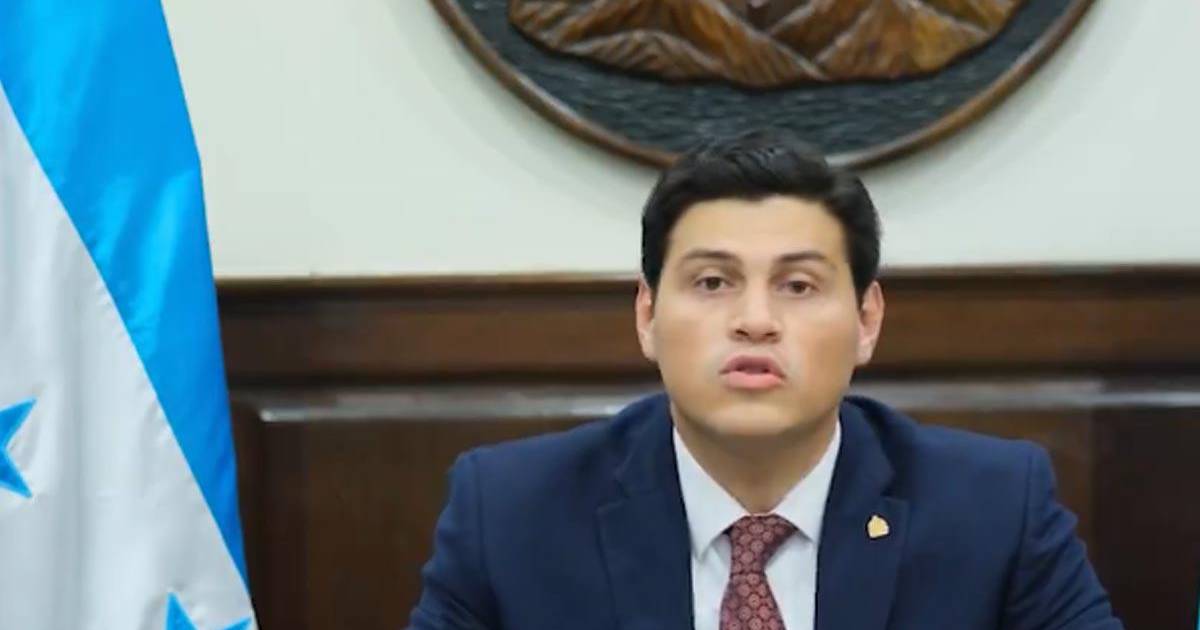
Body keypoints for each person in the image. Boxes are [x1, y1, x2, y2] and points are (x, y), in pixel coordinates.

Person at [409, 131, 1123, 629]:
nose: (755, 321)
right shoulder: (511, 513)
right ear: (648, 316)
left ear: (866, 320)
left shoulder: (993, 507)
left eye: (798, 286)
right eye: (713, 282)